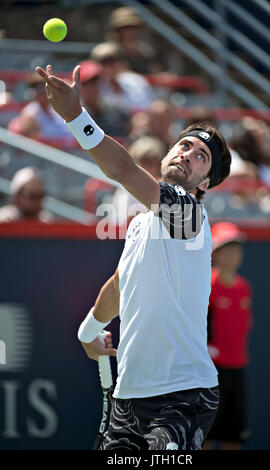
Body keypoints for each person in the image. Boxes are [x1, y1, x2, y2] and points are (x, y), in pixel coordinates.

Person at [35, 63, 232, 450]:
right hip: (128, 396)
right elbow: (120, 285)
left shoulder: (190, 215)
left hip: (184, 395)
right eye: (185, 145)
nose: (187, 154)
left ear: (204, 183)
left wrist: (75, 116)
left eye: (201, 156)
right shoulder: (143, 223)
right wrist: (88, 331)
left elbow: (122, 168)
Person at [204, 222, 253, 450]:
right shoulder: (207, 285)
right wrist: (207, 347)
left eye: (237, 248)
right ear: (215, 253)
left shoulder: (244, 287)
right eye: (227, 248)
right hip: (210, 373)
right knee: (203, 436)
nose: (234, 254)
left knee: (233, 438)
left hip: (237, 369)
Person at [111, 136, 166, 226]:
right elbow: (115, 221)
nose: (150, 165)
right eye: (145, 160)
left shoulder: (166, 187)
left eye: (154, 160)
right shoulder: (126, 187)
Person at [90, 41, 154, 112]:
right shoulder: (93, 87)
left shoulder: (136, 80)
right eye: (105, 61)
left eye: (114, 60)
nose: (111, 65)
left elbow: (149, 106)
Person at [79, 59, 130, 139]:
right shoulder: (75, 114)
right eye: (90, 82)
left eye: (98, 81)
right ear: (79, 86)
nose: (95, 86)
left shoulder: (117, 110)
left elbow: (128, 135)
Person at [106, 6, 162, 74]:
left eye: (134, 27)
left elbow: (155, 73)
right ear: (118, 30)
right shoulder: (107, 52)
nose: (131, 31)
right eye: (127, 27)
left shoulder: (146, 51)